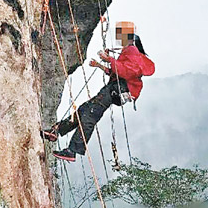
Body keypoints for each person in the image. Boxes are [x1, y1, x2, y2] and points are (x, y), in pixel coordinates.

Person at [42, 24, 155, 162]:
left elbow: (129, 72)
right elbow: (119, 72)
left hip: (118, 89)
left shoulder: (131, 50)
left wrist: (109, 60)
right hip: (117, 89)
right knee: (84, 109)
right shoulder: (129, 51)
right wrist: (100, 65)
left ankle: (72, 151)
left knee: (90, 115)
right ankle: (56, 130)